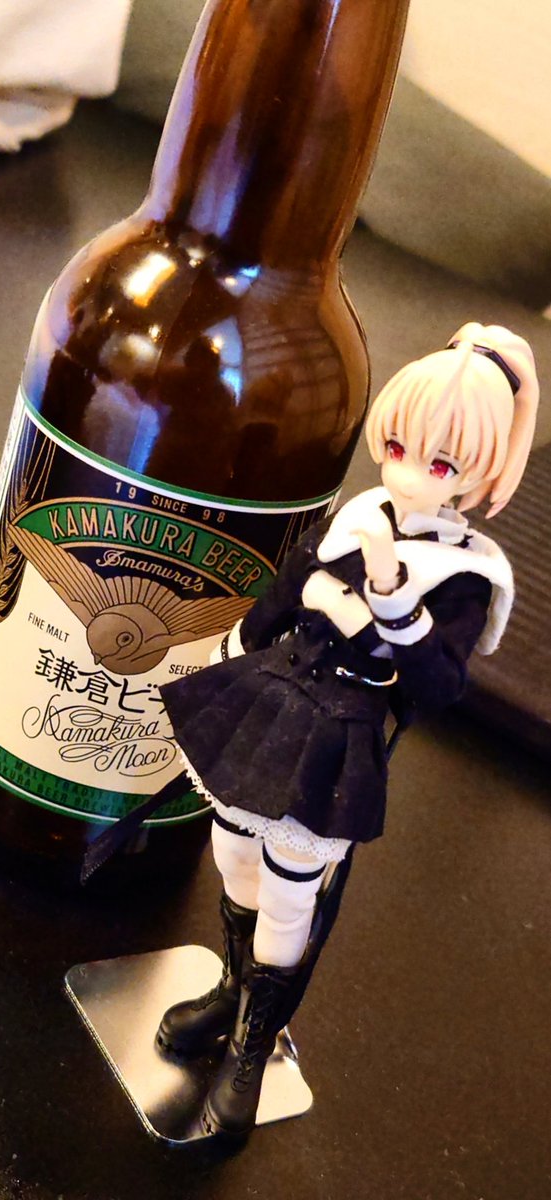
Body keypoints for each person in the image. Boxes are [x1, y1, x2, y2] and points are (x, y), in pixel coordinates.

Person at [154, 322, 539, 1140]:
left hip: (338, 733)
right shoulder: (358, 512)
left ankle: (253, 1041)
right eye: (397, 447)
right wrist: (236, 654)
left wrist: (387, 602)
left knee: (292, 891)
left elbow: (439, 685)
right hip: (272, 699)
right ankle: (232, 989)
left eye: (441, 464)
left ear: (480, 473)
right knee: (231, 848)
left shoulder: (466, 574)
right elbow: (279, 596)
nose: (407, 472)